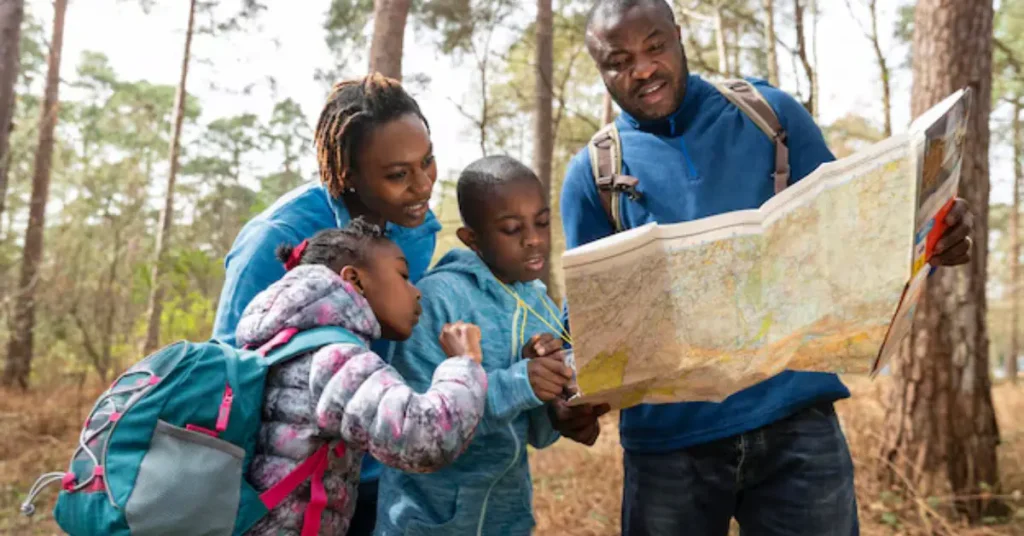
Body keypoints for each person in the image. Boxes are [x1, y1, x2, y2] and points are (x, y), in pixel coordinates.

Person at [558, 1, 976, 535]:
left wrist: (931, 243)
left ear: (679, 37)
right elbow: (588, 324)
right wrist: (563, 386)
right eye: (619, 60)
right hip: (668, 448)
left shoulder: (769, 116)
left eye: (655, 47)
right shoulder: (593, 174)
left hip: (796, 424)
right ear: (598, 66)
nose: (642, 69)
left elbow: (853, 241)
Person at [212, 73, 442, 534]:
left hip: (375, 467)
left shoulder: (417, 231)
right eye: (398, 174)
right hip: (283, 489)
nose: (422, 186)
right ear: (347, 174)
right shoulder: (274, 239)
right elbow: (229, 371)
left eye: (428, 161)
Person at [374, 156, 603, 535]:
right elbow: (412, 427)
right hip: (426, 523)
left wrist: (560, 412)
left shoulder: (542, 308)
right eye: (512, 229)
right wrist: (520, 382)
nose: (533, 238)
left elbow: (535, 434)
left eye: (542, 222)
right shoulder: (437, 300)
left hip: (506, 519)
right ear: (472, 239)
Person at [238, 220, 489, 536]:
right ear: (354, 279)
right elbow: (425, 438)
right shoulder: (333, 359)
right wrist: (464, 363)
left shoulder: (278, 344)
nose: (416, 293)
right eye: (403, 276)